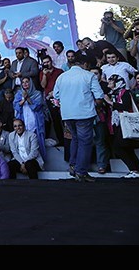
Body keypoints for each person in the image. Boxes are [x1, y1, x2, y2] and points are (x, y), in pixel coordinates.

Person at [53, 51, 105, 182]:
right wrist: (96, 105)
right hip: (84, 113)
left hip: (67, 114)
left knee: (75, 139)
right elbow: (99, 96)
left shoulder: (62, 77)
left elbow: (56, 95)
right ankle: (81, 171)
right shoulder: (88, 75)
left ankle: (73, 166)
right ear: (85, 64)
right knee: (85, 142)